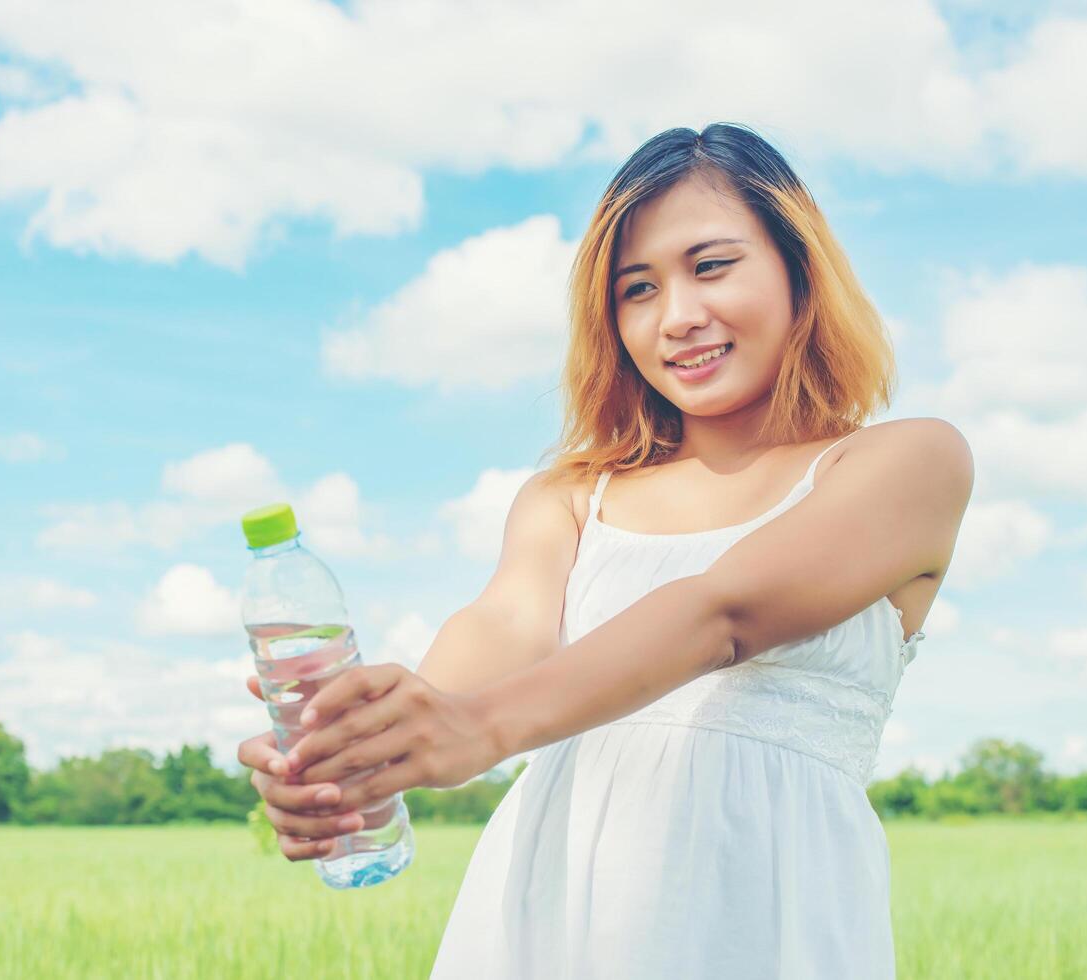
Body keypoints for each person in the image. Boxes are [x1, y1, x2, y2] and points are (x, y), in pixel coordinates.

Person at [237, 122, 973, 979]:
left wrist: (476, 728)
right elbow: (503, 626)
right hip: (551, 922)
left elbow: (721, 611)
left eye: (710, 266)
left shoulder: (904, 462)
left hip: (772, 921)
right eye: (636, 289)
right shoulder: (571, 498)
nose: (678, 317)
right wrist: (370, 743)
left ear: (798, 267)